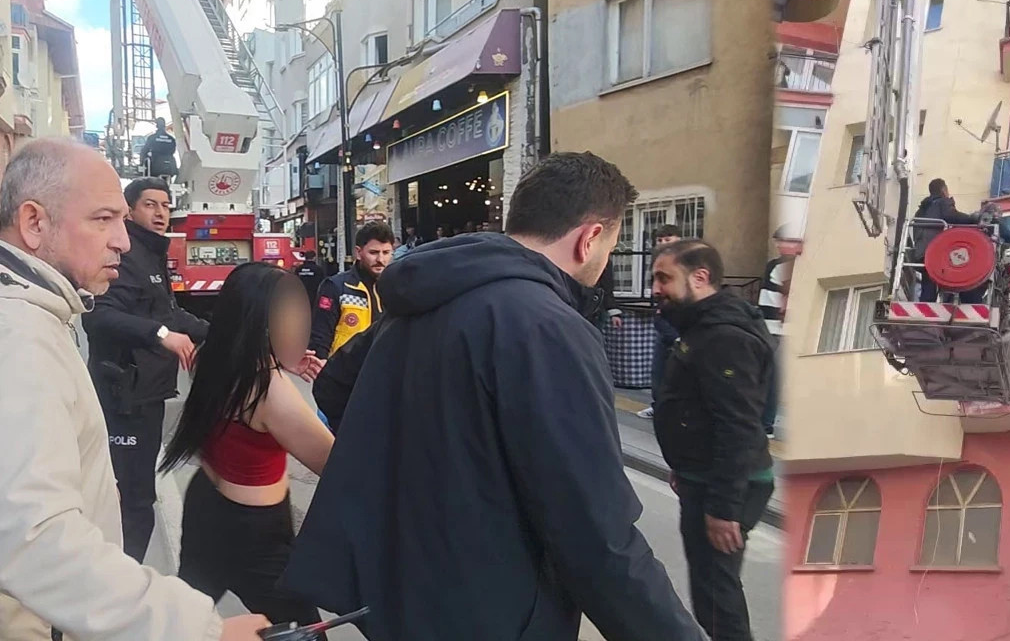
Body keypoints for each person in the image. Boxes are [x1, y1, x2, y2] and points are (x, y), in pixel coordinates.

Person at [280, 152, 702, 641]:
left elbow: (334, 387)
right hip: (489, 609)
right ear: (589, 239)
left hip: (397, 592)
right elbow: (595, 533)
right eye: (610, 246)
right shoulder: (549, 328)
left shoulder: (422, 300)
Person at [0, 138, 267, 640]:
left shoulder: (38, 313)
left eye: (122, 220)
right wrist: (198, 630)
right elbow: (34, 536)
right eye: (103, 219)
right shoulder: (19, 336)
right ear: (34, 222)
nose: (122, 241)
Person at [159, 262, 334, 628]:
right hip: (255, 536)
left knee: (186, 621)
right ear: (263, 323)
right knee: (302, 633)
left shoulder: (210, 357)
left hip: (206, 506)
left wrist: (280, 361)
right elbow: (337, 465)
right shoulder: (269, 391)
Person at [80, 176, 209, 563]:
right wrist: (160, 334)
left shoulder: (151, 254)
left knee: (137, 497)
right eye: (150, 205)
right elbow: (98, 315)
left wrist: (230, 333)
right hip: (123, 397)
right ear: (130, 210)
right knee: (131, 501)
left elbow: (170, 313)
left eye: (166, 206)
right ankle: (117, 581)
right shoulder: (123, 253)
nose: (160, 213)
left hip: (148, 395)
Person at [651, 239, 774, 641]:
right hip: (703, 476)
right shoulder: (703, 327)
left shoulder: (724, 337)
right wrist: (682, 464)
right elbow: (698, 408)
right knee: (711, 591)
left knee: (717, 598)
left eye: (664, 278)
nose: (656, 288)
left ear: (700, 277)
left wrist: (723, 508)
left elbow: (738, 425)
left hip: (724, 487)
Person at [308, 221, 393, 360]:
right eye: (373, 253)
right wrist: (321, 367)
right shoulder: (336, 287)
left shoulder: (395, 289)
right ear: (358, 253)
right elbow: (320, 338)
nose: (380, 259)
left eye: (386, 252)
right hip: (343, 371)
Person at [758, 229, 802, 440]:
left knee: (770, 379)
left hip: (775, 330)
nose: (779, 246)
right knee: (772, 378)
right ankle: (765, 423)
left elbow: (773, 301)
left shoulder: (780, 266)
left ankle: (765, 424)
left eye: (784, 241)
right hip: (778, 330)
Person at [912, 178, 982, 303]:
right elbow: (952, 216)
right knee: (957, 269)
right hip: (935, 252)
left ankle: (926, 304)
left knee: (928, 282)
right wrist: (973, 219)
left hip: (921, 251)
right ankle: (956, 300)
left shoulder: (921, 210)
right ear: (944, 190)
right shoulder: (942, 203)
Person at [638, 224, 682, 420]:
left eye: (668, 239)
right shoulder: (657, 262)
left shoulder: (685, 262)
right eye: (660, 240)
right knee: (658, 371)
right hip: (663, 321)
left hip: (680, 322)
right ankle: (658, 406)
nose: (663, 243)